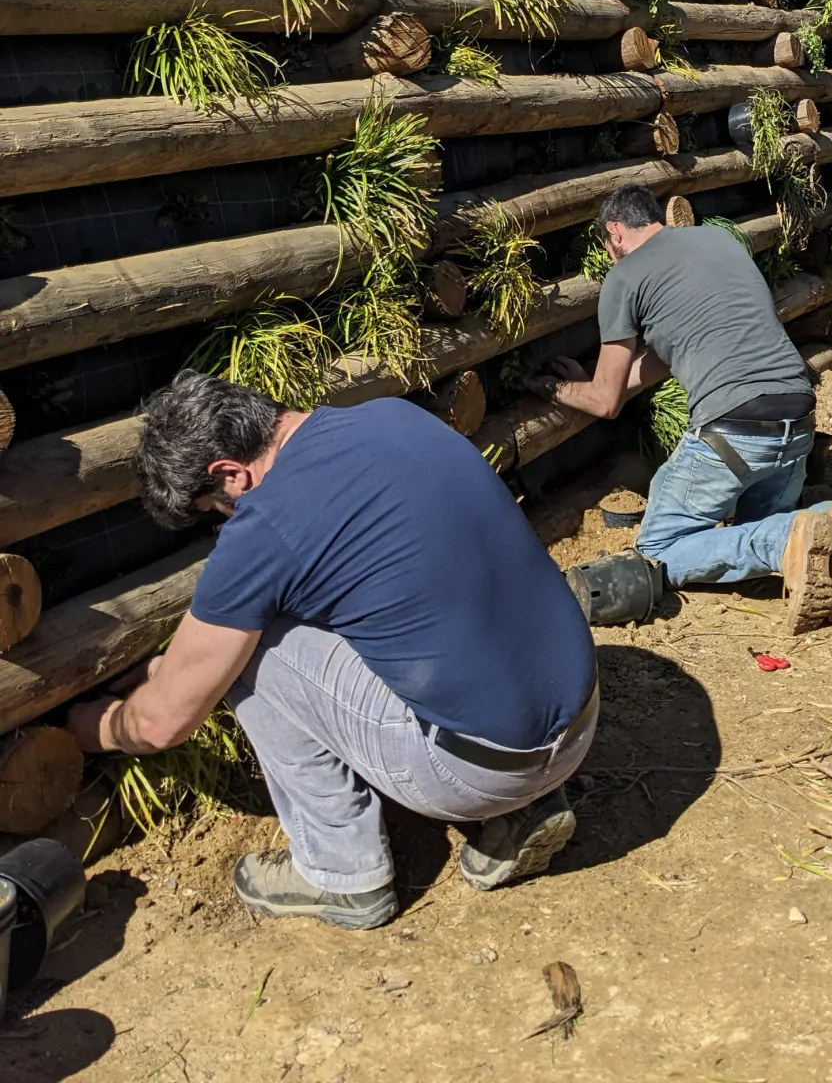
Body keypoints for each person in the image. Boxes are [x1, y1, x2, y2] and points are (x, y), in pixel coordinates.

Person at [65, 374, 598, 932]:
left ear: (229, 474)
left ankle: (340, 873)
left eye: (212, 510)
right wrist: (164, 670)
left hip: (479, 773)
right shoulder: (393, 415)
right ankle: (526, 810)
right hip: (578, 721)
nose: (223, 523)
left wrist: (87, 726)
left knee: (249, 647)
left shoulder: (263, 526)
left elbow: (158, 724)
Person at [532, 184, 832, 633]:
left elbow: (605, 402)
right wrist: (598, 380)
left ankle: (785, 538)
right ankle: (818, 520)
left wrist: (555, 388)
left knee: (657, 553)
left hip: (734, 434)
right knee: (753, 528)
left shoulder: (625, 276)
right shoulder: (718, 240)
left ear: (614, 232)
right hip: (797, 422)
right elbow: (666, 353)